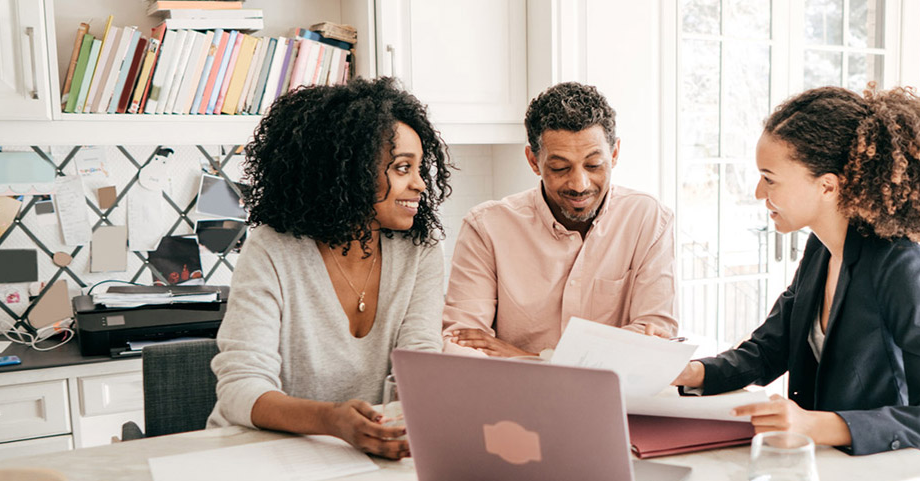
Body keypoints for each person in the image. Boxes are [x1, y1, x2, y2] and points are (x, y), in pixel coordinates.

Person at [671, 85, 920, 459]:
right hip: (830, 464)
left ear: (828, 186)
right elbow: (769, 350)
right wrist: (688, 372)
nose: (757, 192)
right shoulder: (820, 248)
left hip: (889, 470)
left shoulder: (898, 265)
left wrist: (814, 426)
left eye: (770, 178)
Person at [208, 77, 452, 460]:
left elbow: (419, 365)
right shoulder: (273, 249)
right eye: (403, 168)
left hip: (364, 454)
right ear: (350, 171)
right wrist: (332, 421)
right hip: (262, 455)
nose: (420, 184)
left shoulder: (420, 251)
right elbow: (241, 388)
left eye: (420, 169)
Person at [443, 82, 676, 358]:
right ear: (533, 160)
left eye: (593, 165)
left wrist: (530, 359)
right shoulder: (485, 228)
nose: (579, 184)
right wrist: (609, 349)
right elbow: (462, 345)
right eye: (560, 168)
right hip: (513, 400)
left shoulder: (649, 220)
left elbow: (655, 339)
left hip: (612, 399)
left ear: (614, 154)